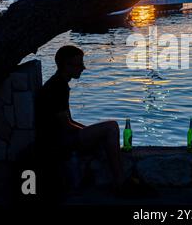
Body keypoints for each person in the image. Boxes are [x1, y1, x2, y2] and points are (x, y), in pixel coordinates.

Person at [35, 45, 126, 194]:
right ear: (66, 65)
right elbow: (66, 125)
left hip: (59, 138)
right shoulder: (57, 87)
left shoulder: (59, 83)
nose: (83, 68)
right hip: (56, 142)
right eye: (79, 64)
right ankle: (120, 182)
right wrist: (89, 133)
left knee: (105, 131)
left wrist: (88, 131)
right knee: (111, 127)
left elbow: (68, 120)